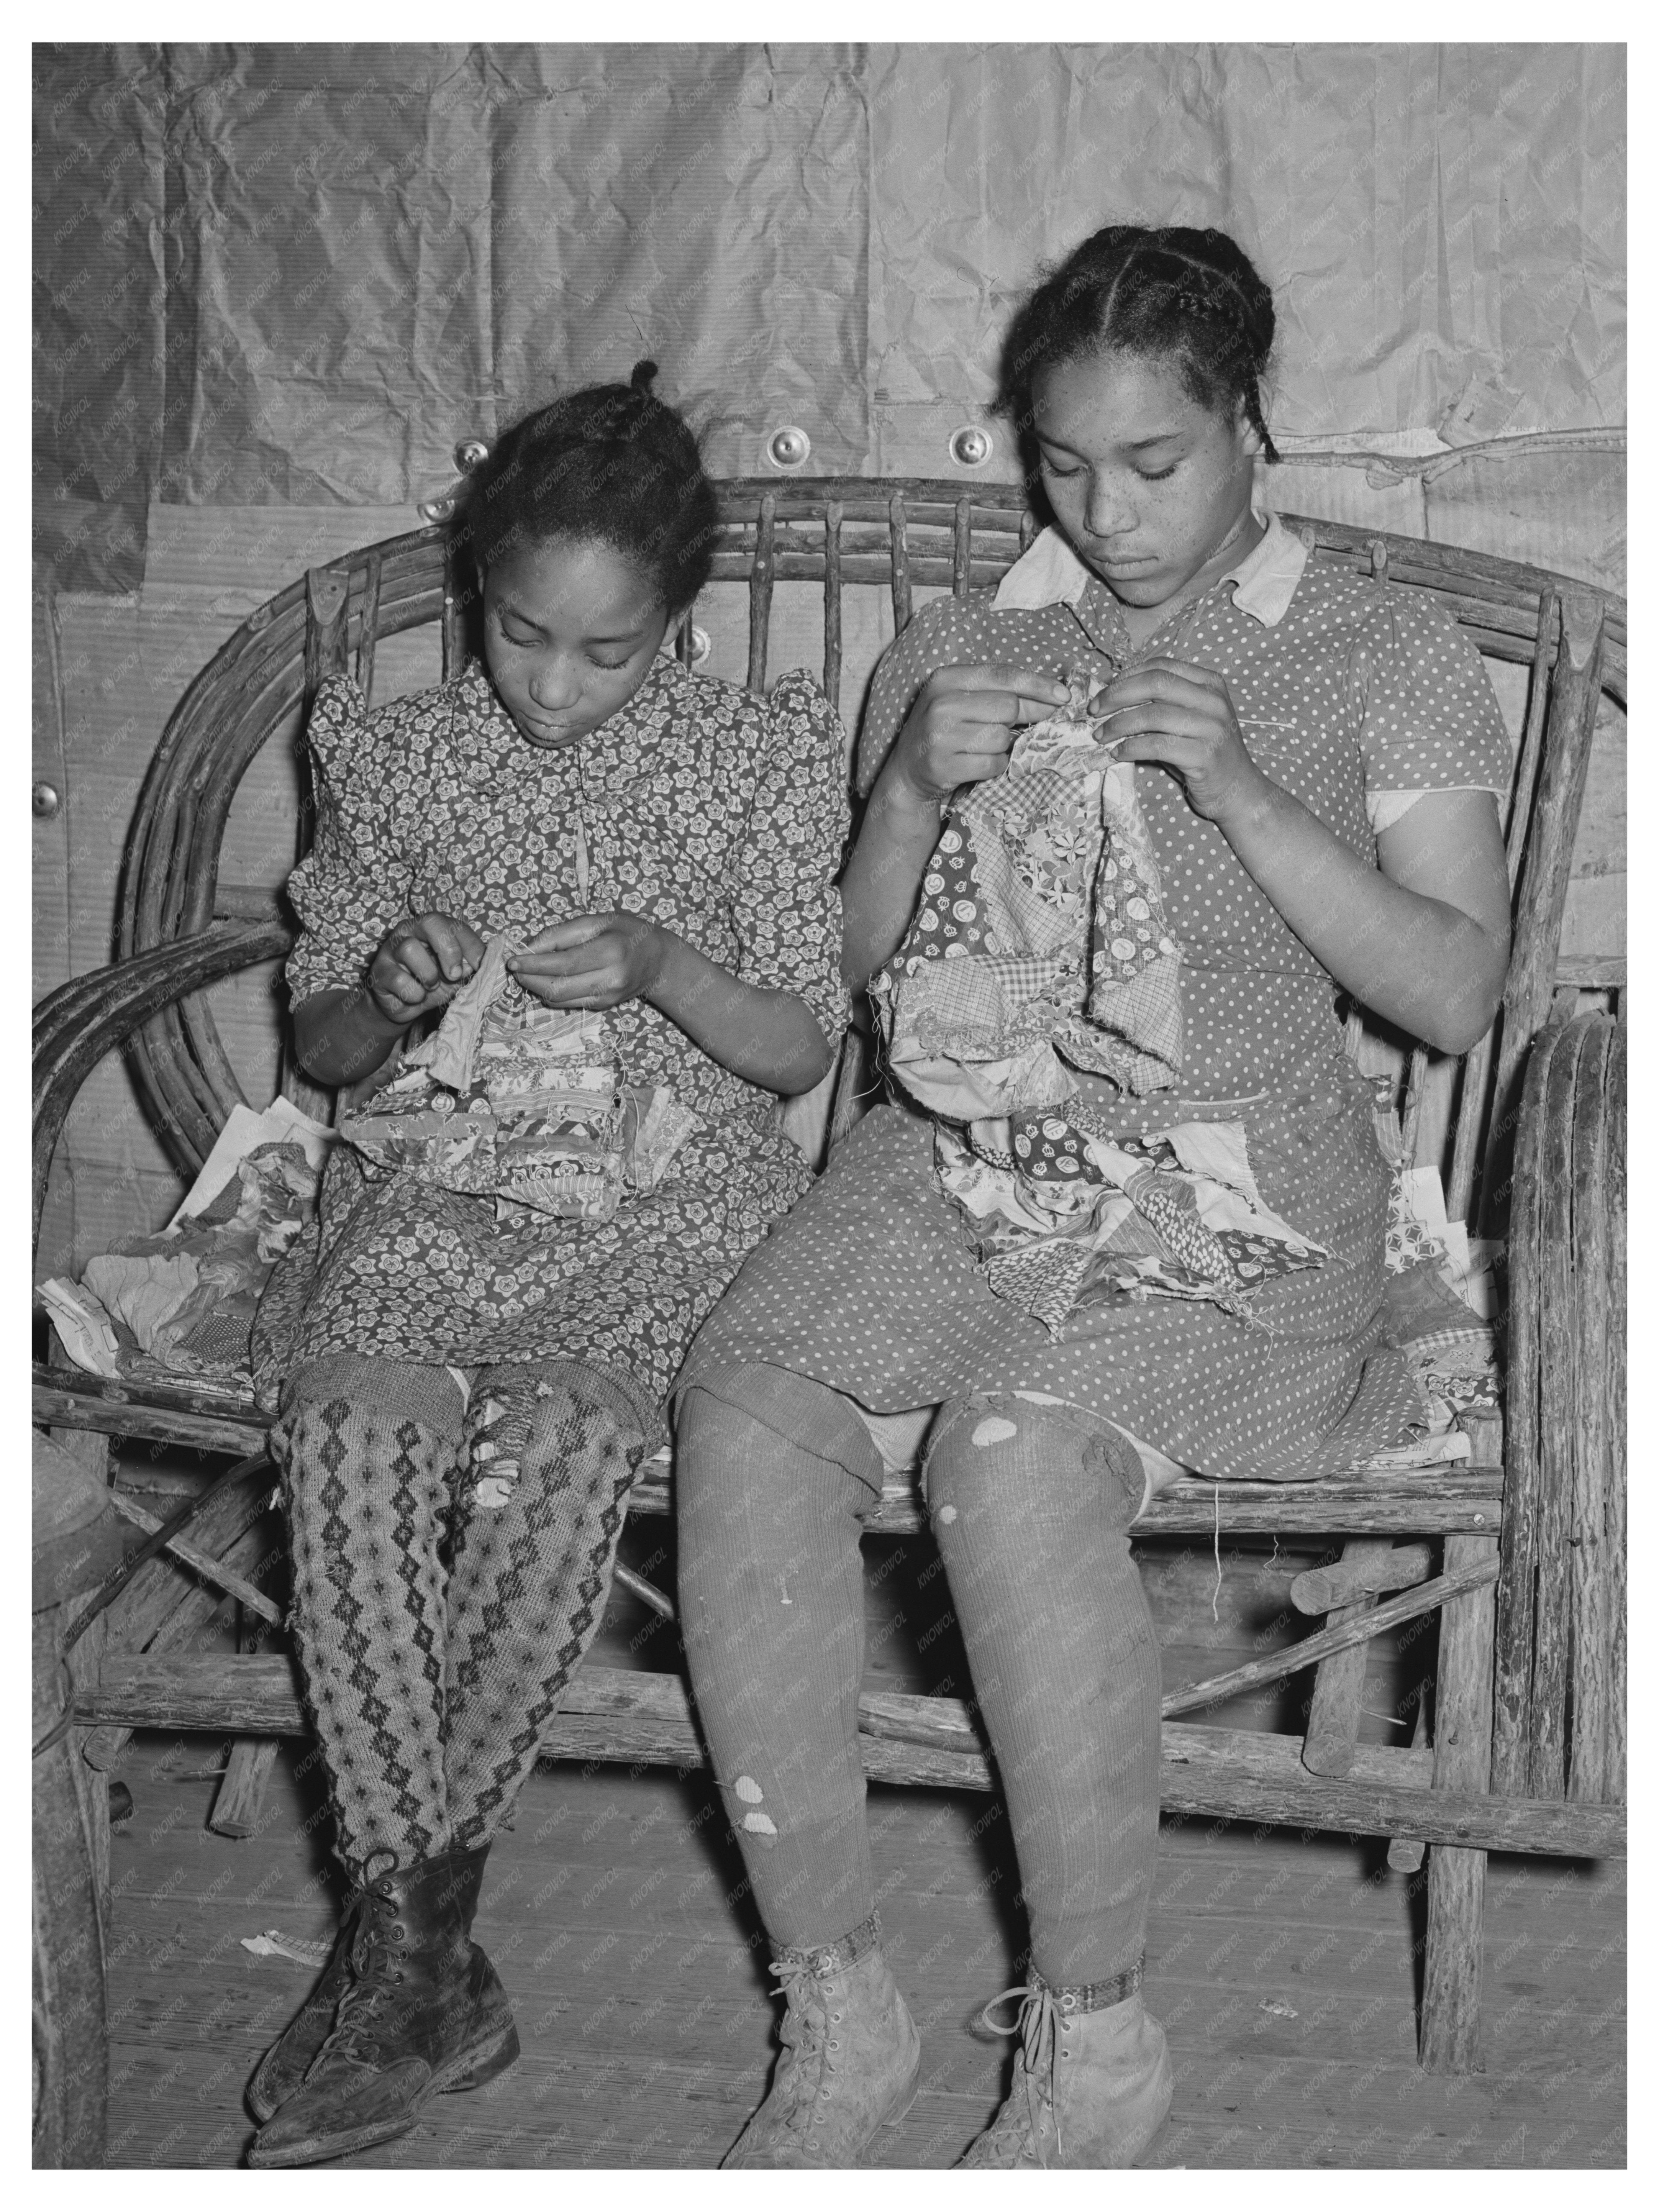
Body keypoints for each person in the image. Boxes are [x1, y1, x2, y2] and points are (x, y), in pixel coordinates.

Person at [673, 225, 1514, 2168]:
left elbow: (1456, 991)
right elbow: (838, 984)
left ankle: (1095, 2033)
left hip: (1235, 1186)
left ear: (1252, 425)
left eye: (1155, 461)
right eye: (1063, 465)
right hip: (962, 1162)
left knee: (1015, 1453)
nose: (1107, 512)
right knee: (742, 1404)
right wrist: (905, 793)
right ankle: (836, 2004)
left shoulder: (1379, 652)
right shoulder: (963, 649)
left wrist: (1247, 792)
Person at [243, 362, 848, 2167]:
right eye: (520, 636)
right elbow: (324, 1047)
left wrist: (663, 962)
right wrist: (387, 989)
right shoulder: (400, 755)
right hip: (437, 1189)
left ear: (682, 622)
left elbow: (799, 1047)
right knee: (350, 1431)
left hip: (668, 1206)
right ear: (475, 588)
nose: (556, 686)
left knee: (553, 1460)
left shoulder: (752, 759)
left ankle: (401, 1961)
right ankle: (425, 1955)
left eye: (608, 650)